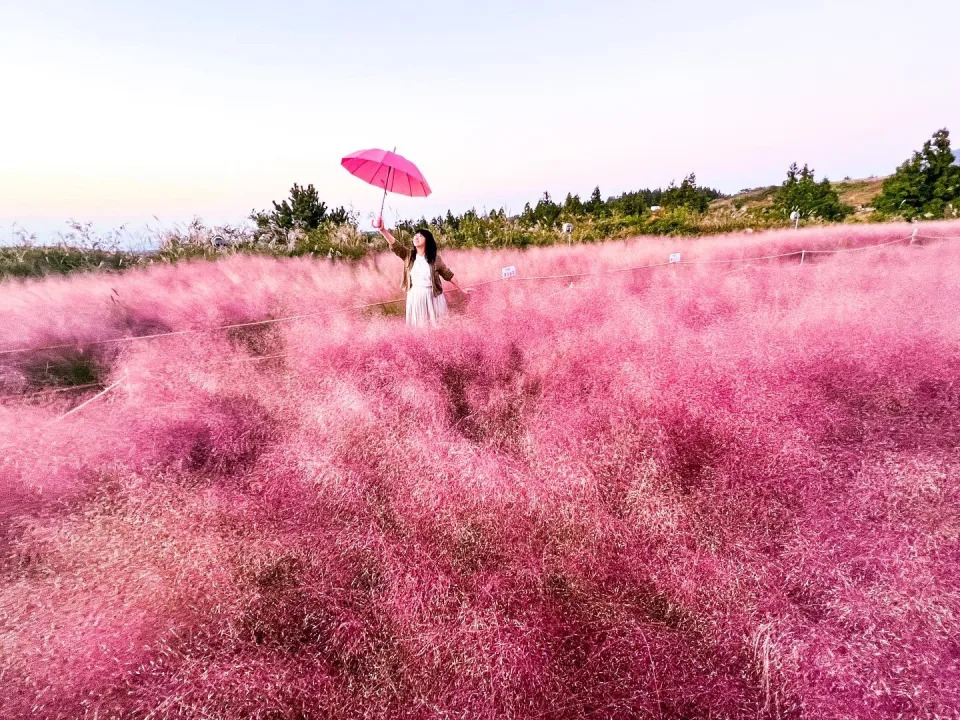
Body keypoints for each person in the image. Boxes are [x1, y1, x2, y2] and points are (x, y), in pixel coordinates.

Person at [373, 217, 469, 328]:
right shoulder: (408, 255)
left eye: (420, 236)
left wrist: (462, 288)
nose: (416, 237)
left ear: (427, 241)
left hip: (433, 296)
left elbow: (448, 274)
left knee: (436, 327)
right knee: (419, 327)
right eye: (415, 235)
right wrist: (382, 230)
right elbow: (395, 245)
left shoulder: (435, 259)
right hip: (415, 297)